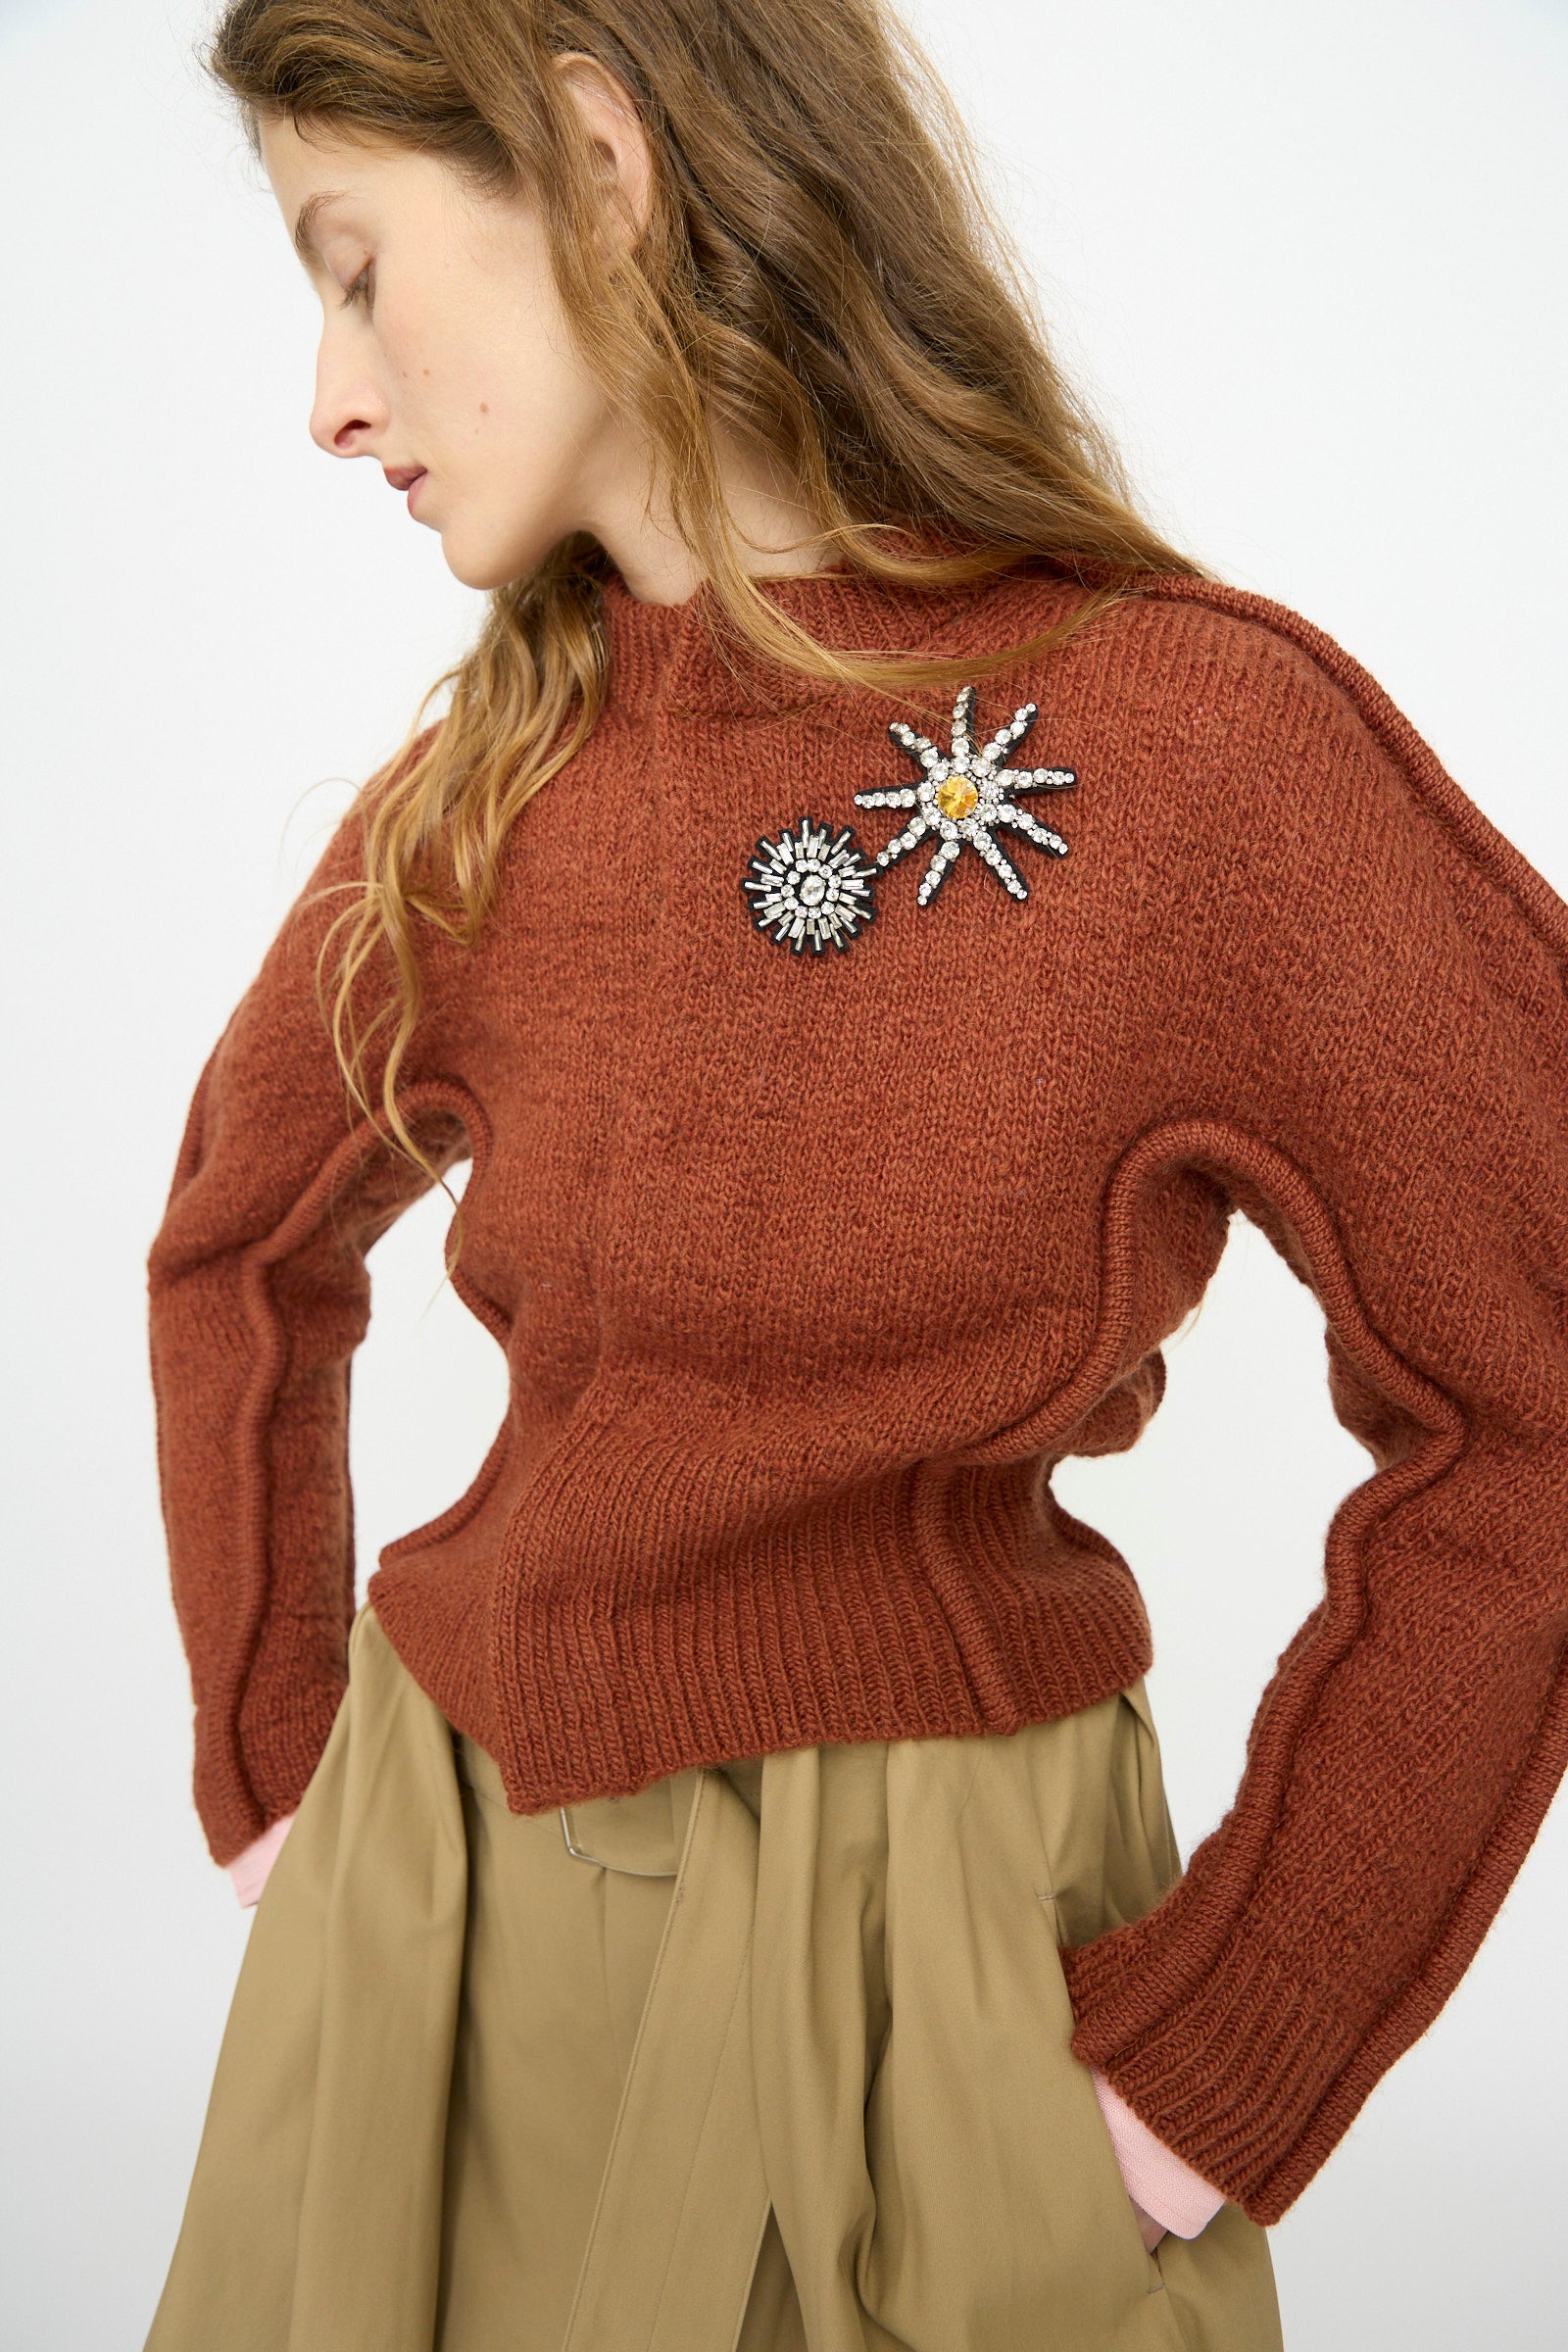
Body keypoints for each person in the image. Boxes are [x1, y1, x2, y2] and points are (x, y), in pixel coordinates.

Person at [140, 2, 1568, 2347]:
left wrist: (1221, 2062)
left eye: (355, 264)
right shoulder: (485, 797)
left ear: (597, 163)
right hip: (439, 1915)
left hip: (942, 1978)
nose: (329, 396)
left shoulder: (1191, 744)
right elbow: (233, 1247)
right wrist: (280, 1770)